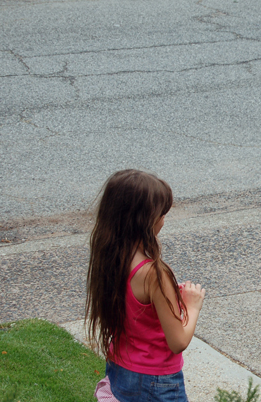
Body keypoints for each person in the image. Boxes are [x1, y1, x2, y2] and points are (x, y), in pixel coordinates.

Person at [85, 169, 205, 402]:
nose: (163, 220)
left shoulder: (110, 257)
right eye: (161, 214)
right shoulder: (155, 274)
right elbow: (178, 342)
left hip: (121, 369)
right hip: (156, 381)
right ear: (145, 221)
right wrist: (192, 306)